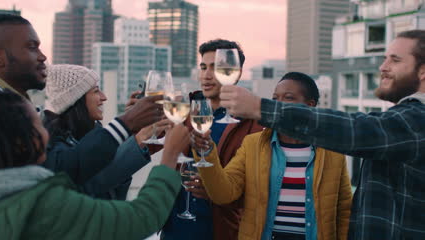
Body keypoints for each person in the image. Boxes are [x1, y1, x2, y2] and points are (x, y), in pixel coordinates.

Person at [218, 30, 425, 239]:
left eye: (395, 60)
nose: (383, 67)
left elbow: (355, 130)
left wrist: (259, 108)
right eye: (384, 59)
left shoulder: (417, 121)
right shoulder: (405, 120)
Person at [0, 91, 189, 239]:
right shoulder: (46, 205)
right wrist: (169, 157)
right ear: (19, 144)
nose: (46, 131)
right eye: (38, 124)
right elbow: (141, 218)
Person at [0, 13, 163, 184]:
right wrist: (125, 124)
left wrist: (130, 132)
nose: (43, 57)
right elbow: (58, 176)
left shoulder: (6, 106)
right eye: (31, 47)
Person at [192, 72, 352, 240]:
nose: (278, 105)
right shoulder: (252, 145)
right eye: (275, 99)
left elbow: (344, 211)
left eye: (288, 98)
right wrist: (206, 152)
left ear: (310, 106)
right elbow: (223, 194)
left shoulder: (332, 150)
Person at [160, 39, 263, 240]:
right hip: (175, 228)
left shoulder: (253, 125)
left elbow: (255, 192)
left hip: (218, 230)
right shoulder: (187, 111)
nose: (206, 76)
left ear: (236, 73)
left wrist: (216, 192)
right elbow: (152, 144)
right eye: (203, 67)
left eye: (215, 68)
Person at [43, 64, 171, 199]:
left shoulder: (90, 135)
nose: (104, 97)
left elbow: (114, 195)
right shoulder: (56, 147)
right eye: (96, 91)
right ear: (76, 99)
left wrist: (132, 135)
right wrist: (137, 137)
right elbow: (92, 187)